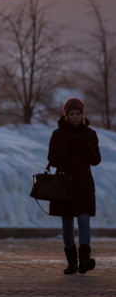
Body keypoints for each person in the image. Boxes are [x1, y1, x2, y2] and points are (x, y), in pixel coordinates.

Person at [47, 97, 101, 275]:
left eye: (78, 114)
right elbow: (52, 160)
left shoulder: (90, 134)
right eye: (72, 114)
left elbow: (96, 160)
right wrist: (67, 146)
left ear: (82, 115)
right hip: (65, 185)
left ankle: (84, 260)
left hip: (84, 184)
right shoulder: (58, 134)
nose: (76, 117)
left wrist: (84, 144)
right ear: (66, 115)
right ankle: (72, 262)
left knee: (84, 222)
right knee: (67, 224)